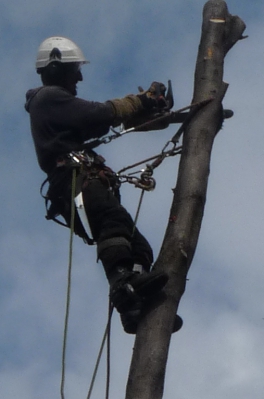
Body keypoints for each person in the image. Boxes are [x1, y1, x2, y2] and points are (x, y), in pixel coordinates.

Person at [24, 36, 181, 333]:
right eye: (75, 70)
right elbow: (100, 114)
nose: (80, 76)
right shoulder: (48, 98)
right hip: (75, 180)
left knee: (139, 247)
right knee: (113, 222)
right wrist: (142, 100)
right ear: (57, 68)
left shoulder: (56, 106)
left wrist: (146, 116)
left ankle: (136, 307)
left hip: (83, 181)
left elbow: (100, 123)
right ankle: (123, 284)